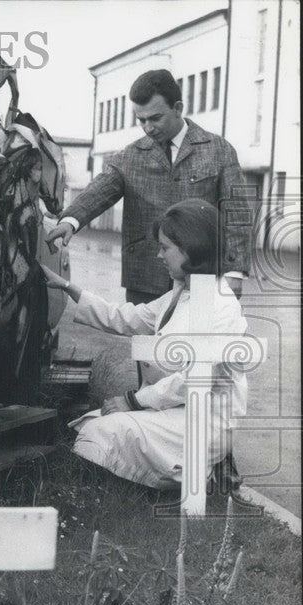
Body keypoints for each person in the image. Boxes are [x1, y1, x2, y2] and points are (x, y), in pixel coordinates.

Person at [43, 199, 247, 489]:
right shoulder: (184, 292)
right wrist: (67, 287)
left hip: (204, 420)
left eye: (165, 248)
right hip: (178, 409)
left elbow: (197, 380)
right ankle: (127, 486)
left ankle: (198, 474)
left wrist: (133, 401)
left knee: (100, 434)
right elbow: (128, 318)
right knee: (88, 427)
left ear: (192, 248)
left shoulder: (219, 305)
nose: (158, 255)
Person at [47, 69, 250, 303]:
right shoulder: (130, 155)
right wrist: (70, 220)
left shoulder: (219, 150)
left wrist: (235, 271)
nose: (147, 127)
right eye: (141, 120)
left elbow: (237, 214)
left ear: (178, 108)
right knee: (143, 338)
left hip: (202, 277)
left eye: (155, 118)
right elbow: (99, 189)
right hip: (145, 278)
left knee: (196, 340)